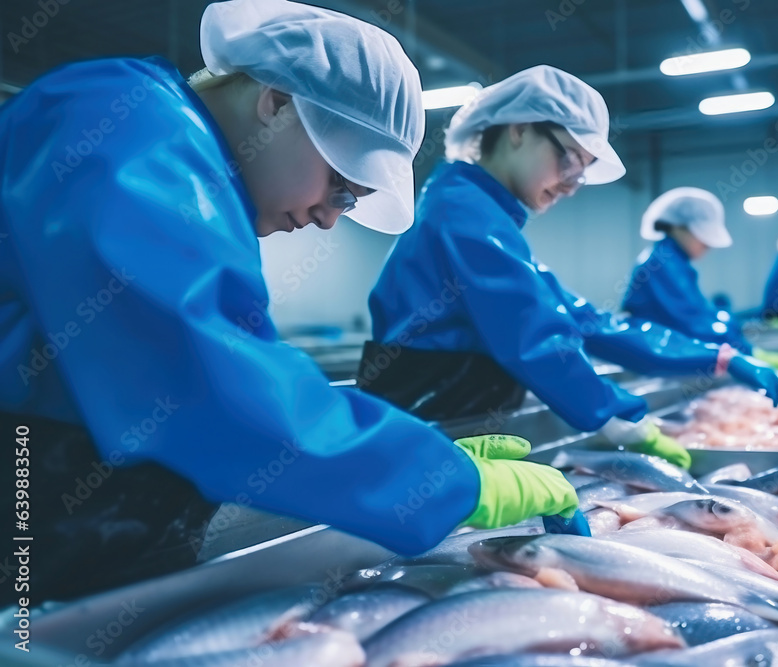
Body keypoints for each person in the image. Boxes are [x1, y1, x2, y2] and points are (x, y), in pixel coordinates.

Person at [0, 0, 576, 604]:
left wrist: (423, 455)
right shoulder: (127, 133)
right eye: (340, 186)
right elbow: (214, 390)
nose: (329, 219)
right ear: (276, 101)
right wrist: (439, 479)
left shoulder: (182, 158)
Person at [359, 66, 778, 467]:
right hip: (426, 426)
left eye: (582, 173)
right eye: (570, 160)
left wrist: (716, 357)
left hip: (453, 417)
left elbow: (584, 319)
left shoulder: (482, 214)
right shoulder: (464, 213)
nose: (570, 185)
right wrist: (616, 415)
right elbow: (534, 335)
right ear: (520, 129)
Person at [622, 188, 778, 372]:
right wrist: (744, 351)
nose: (708, 244)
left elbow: (703, 314)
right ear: (678, 227)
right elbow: (693, 323)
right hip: (655, 360)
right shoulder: (662, 263)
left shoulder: (674, 262)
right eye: (702, 235)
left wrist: (739, 342)